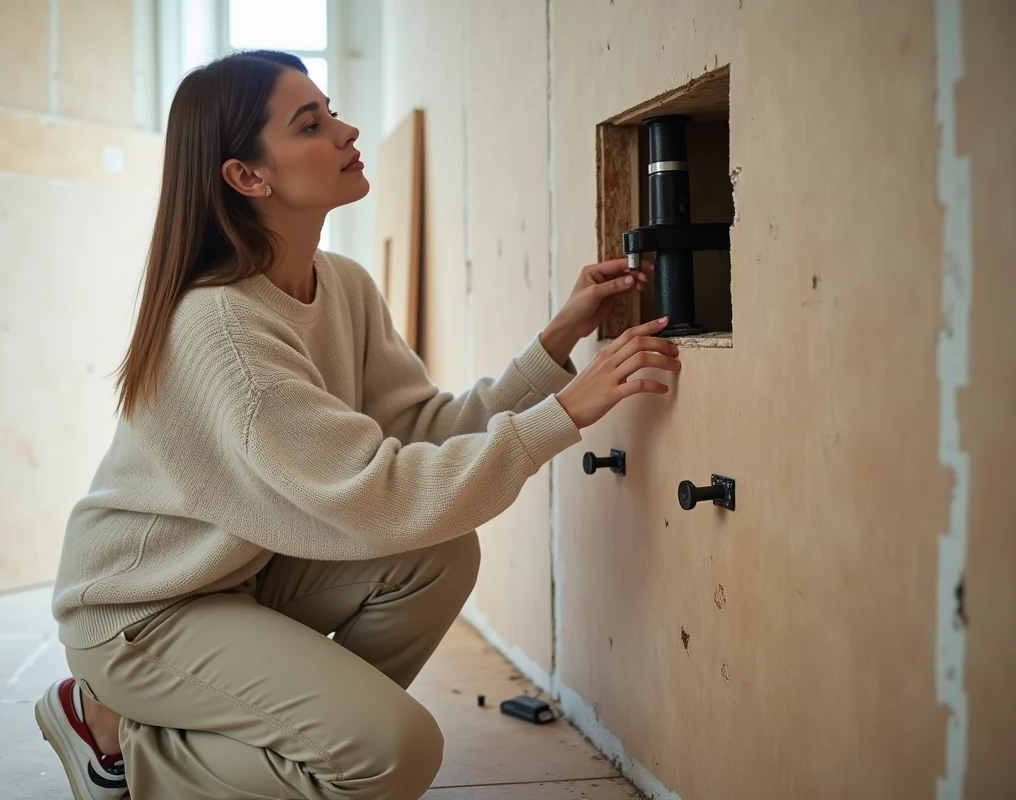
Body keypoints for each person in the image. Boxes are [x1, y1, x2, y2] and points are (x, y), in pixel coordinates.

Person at [33, 49, 680, 800]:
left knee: (438, 553)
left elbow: (425, 429)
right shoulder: (222, 329)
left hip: (236, 577)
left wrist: (555, 344)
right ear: (247, 176)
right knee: (395, 752)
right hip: (142, 612)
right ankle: (116, 734)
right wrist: (564, 415)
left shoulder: (341, 284)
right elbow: (375, 497)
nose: (346, 131)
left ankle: (286, 745)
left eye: (331, 110)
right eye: (312, 124)